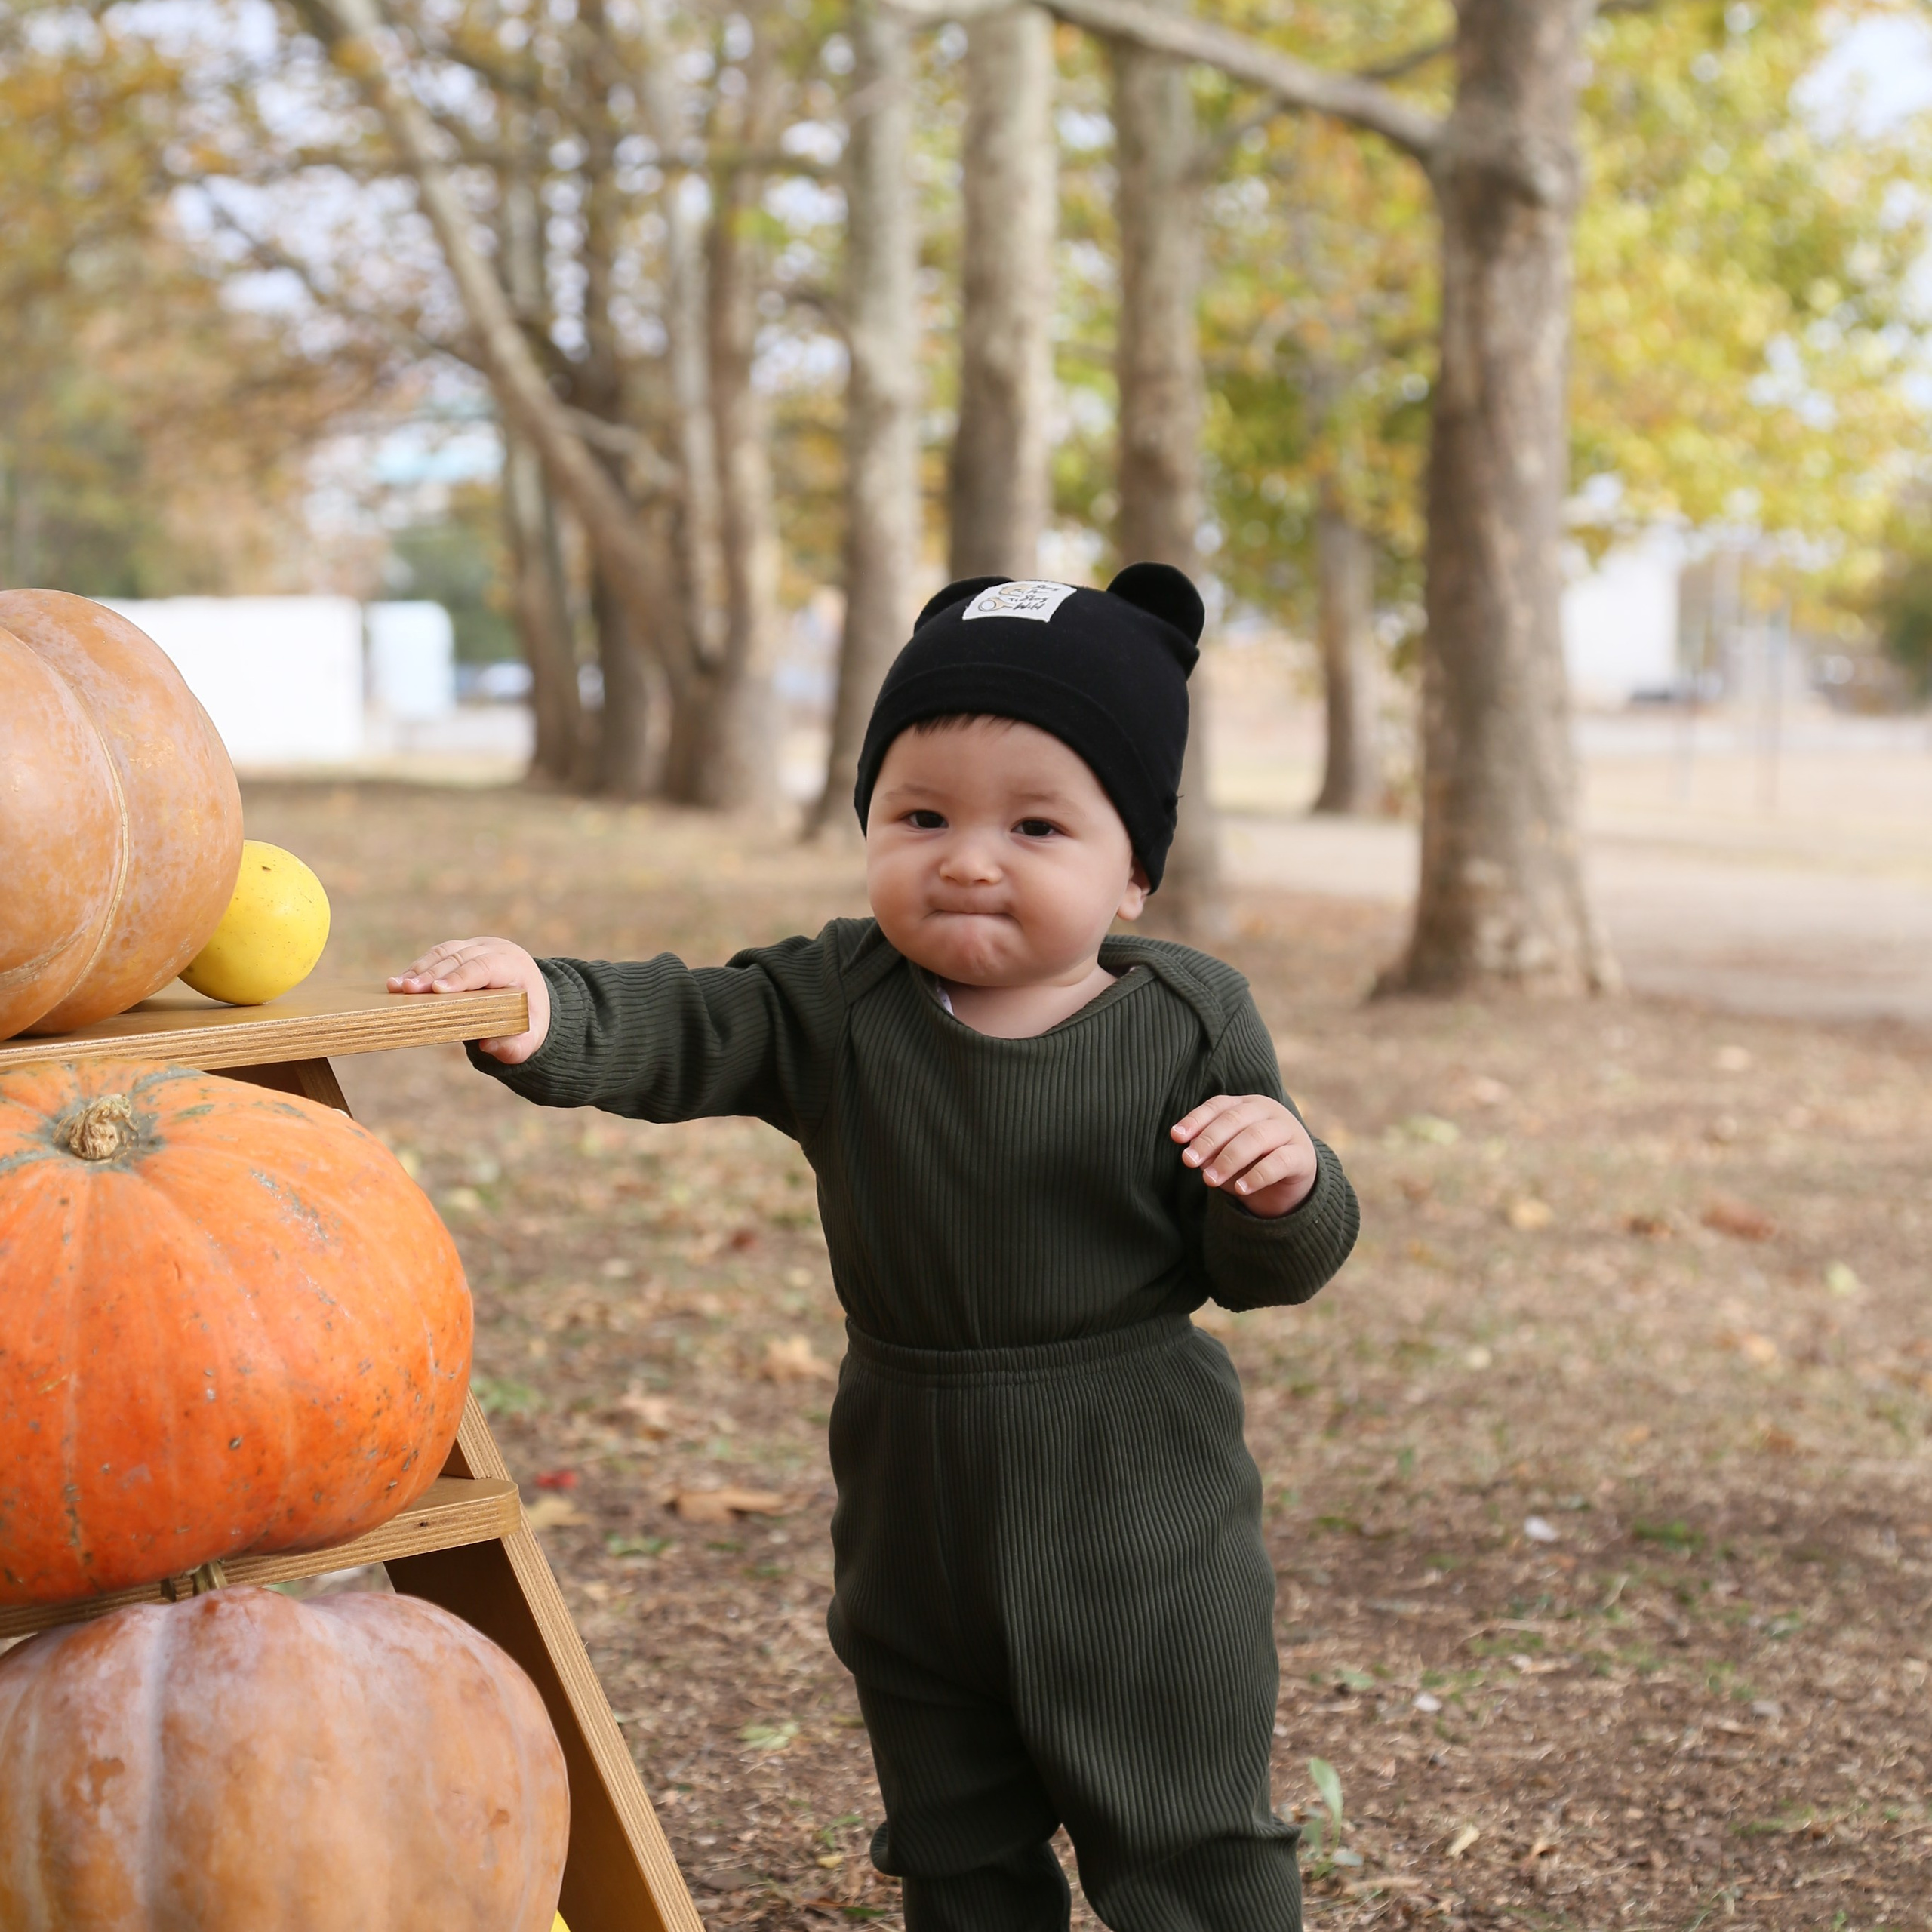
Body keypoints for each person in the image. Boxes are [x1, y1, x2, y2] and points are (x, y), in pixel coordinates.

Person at [391, 564, 1360, 1932]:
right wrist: (550, 1006)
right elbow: (689, 1023)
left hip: (1136, 1488)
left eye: (1037, 824)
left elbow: (1272, 1267)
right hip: (912, 1487)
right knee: (954, 1828)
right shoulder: (841, 1000)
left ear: (1133, 869)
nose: (968, 856)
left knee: (1183, 1830)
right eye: (921, 815)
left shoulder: (1189, 1023)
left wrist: (1286, 1183)